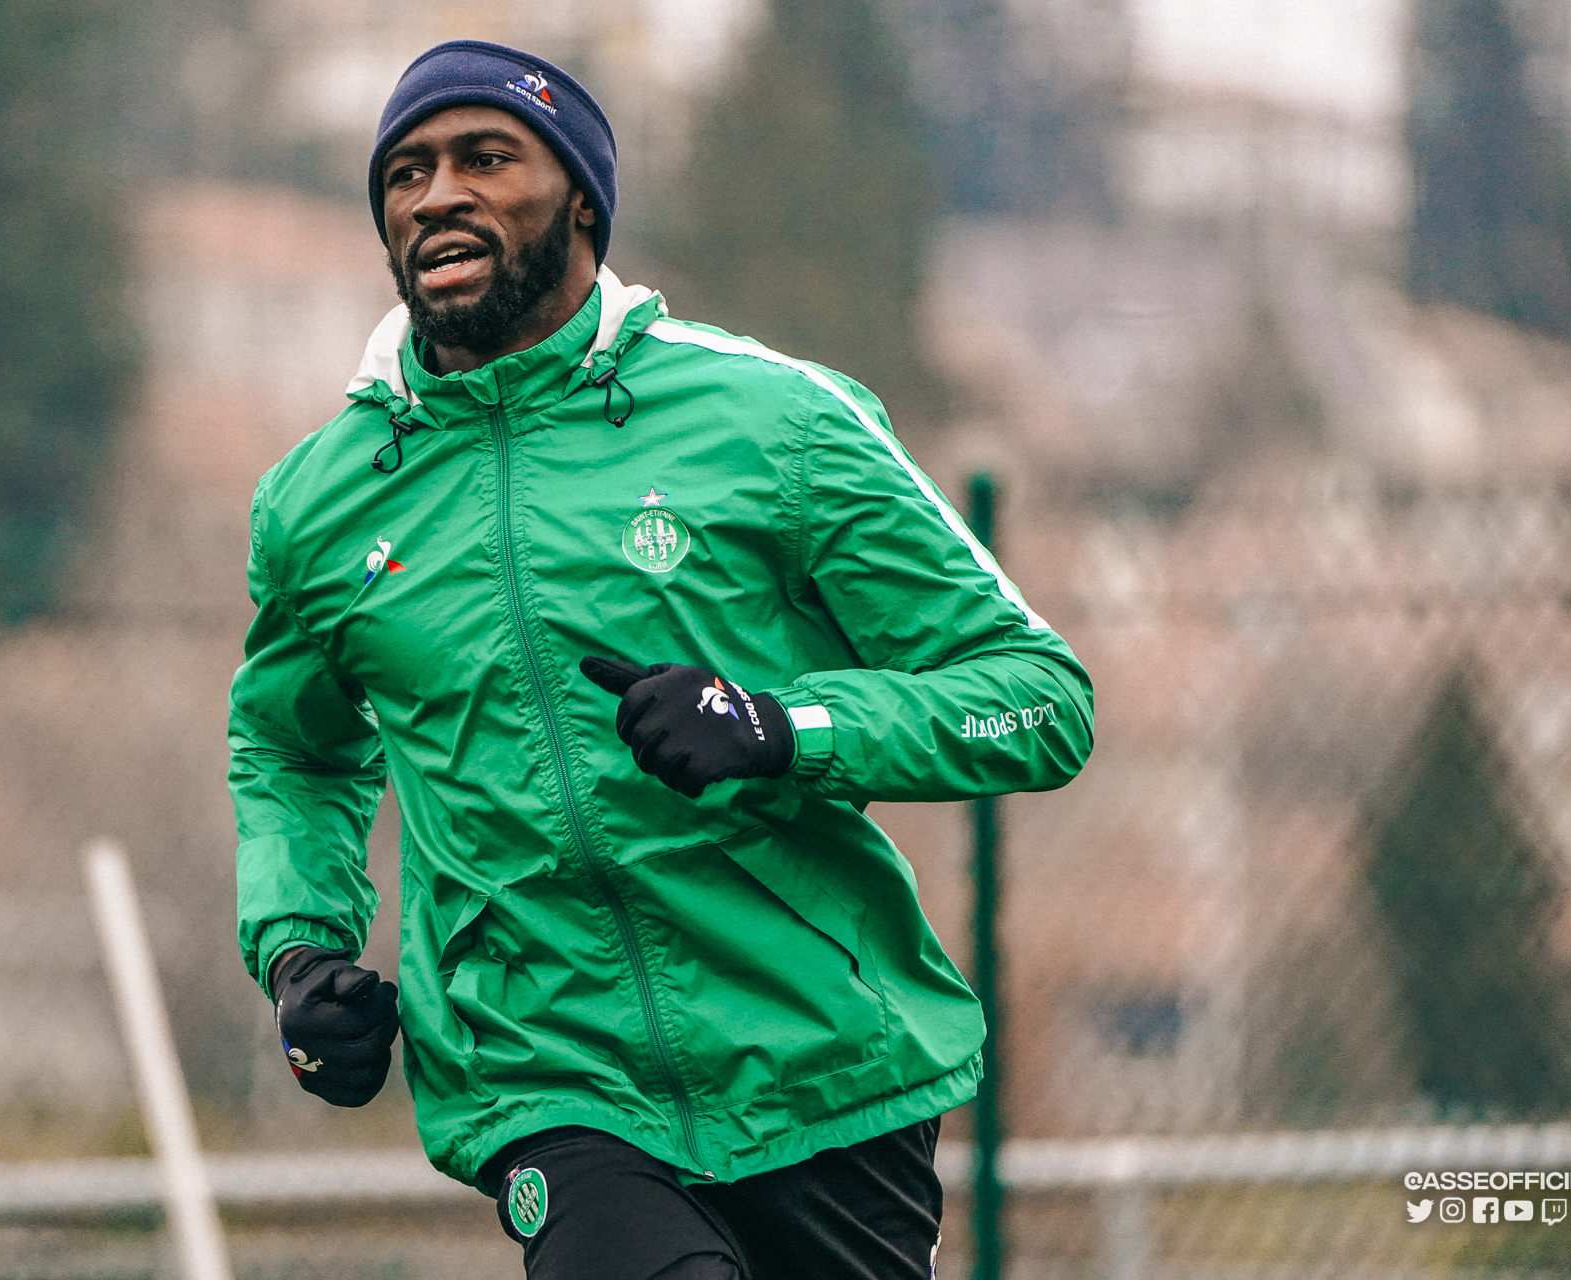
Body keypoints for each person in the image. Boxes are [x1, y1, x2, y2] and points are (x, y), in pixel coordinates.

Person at [228, 39, 1094, 1280]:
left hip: (821, 1061)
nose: (436, 196)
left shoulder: (778, 419)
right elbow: (291, 745)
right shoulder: (317, 506)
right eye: (405, 171)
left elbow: (1039, 698)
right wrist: (302, 945)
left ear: (581, 194)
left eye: (486, 158)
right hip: (546, 1076)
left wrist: (782, 726)